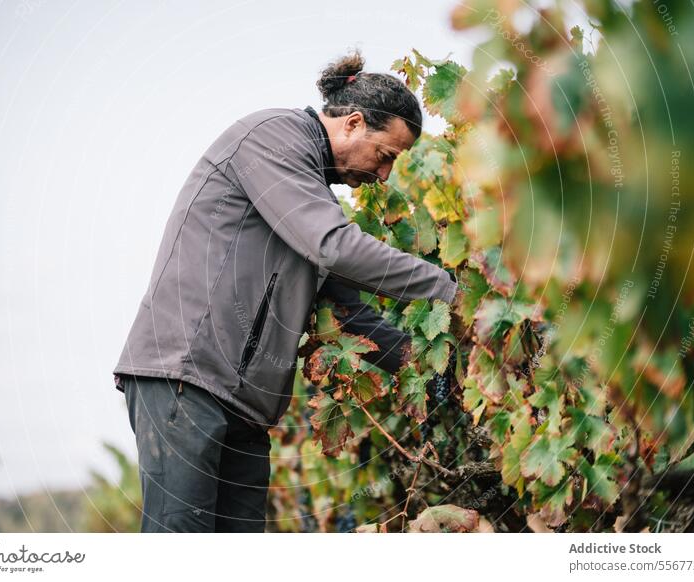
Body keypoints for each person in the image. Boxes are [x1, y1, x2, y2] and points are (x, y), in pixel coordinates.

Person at [113, 51, 461, 532]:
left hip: (244, 407)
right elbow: (334, 246)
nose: (383, 176)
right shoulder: (273, 137)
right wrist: (448, 290)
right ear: (354, 123)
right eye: (385, 157)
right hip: (186, 376)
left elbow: (348, 316)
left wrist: (438, 364)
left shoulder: (309, 190)